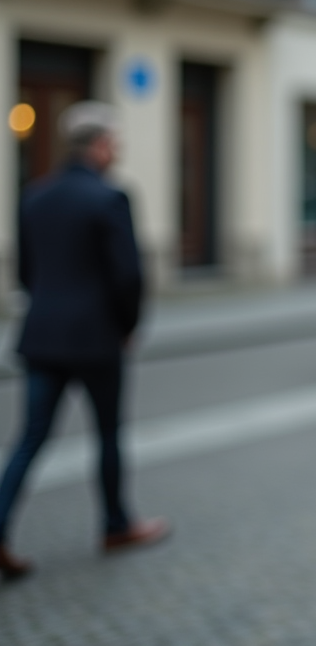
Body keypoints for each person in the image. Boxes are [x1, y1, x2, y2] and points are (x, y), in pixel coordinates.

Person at [0, 101, 168, 581]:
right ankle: (115, 524)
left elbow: (27, 271)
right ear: (98, 144)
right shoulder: (110, 197)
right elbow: (128, 276)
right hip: (97, 339)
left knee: (30, 438)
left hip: (42, 335)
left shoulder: (34, 195)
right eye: (115, 142)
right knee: (108, 433)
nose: (117, 151)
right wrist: (128, 325)